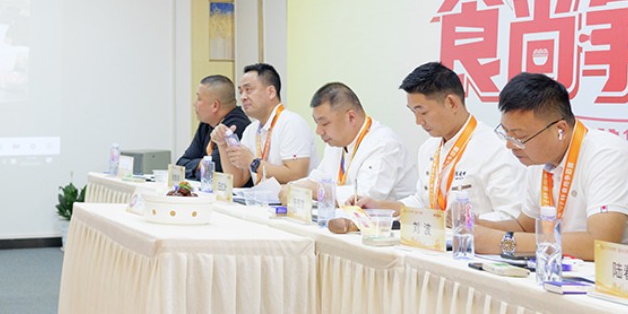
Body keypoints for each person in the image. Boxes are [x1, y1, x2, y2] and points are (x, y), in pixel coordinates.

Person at [474, 72, 628, 259]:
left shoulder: (606, 154)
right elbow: (525, 228)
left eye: (520, 137)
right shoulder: (538, 160)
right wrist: (476, 226)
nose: (510, 145)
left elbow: (600, 244)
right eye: (506, 134)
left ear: (560, 130)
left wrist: (504, 242)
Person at [357, 62, 524, 220]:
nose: (418, 121)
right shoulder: (428, 148)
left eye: (423, 112)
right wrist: (378, 207)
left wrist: (465, 222)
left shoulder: (495, 148)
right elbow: (422, 202)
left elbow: (511, 216)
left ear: (451, 103)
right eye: (413, 112)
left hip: (472, 240)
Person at [281, 81, 417, 204]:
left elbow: (364, 197)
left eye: (325, 123)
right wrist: (293, 187)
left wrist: (315, 190)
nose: (319, 131)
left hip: (389, 222)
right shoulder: (335, 144)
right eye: (317, 123)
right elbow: (317, 179)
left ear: (351, 117)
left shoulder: (384, 144)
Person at [211, 62, 315, 191]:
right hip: (261, 200)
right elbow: (237, 181)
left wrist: (253, 163)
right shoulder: (251, 130)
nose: (243, 97)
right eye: (241, 92)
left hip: (290, 201)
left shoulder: (291, 123)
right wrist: (222, 144)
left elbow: (297, 175)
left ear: (271, 92)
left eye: (248, 90)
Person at [176, 75, 251, 181]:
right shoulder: (206, 124)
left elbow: (216, 172)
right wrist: (202, 164)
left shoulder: (235, 126)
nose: (194, 104)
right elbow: (181, 164)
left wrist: (198, 166)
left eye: (199, 99)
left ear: (215, 105)